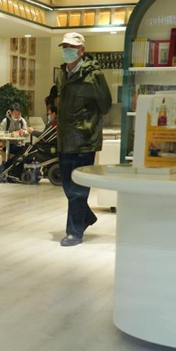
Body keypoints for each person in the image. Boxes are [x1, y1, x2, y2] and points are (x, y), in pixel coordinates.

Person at [55, 32, 112, 246]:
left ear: (81, 51)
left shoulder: (94, 75)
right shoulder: (63, 74)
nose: (67, 50)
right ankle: (86, 217)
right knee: (68, 187)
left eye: (71, 47)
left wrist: (87, 124)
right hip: (65, 139)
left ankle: (74, 232)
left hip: (84, 140)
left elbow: (105, 105)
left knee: (78, 190)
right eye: (64, 46)